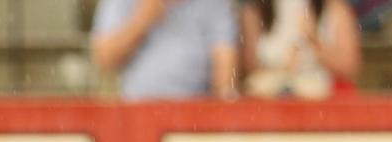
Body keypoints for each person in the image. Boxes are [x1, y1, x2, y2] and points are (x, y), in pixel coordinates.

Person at [90, 0, 239, 100]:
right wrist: (143, 20)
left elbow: (225, 83)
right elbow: (104, 58)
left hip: (195, 120)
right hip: (136, 114)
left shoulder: (215, 4)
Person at [240, 0, 360, 96]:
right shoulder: (255, 11)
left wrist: (314, 40)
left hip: (319, 95)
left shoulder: (334, 8)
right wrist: (282, 66)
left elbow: (349, 68)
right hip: (269, 98)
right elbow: (249, 67)